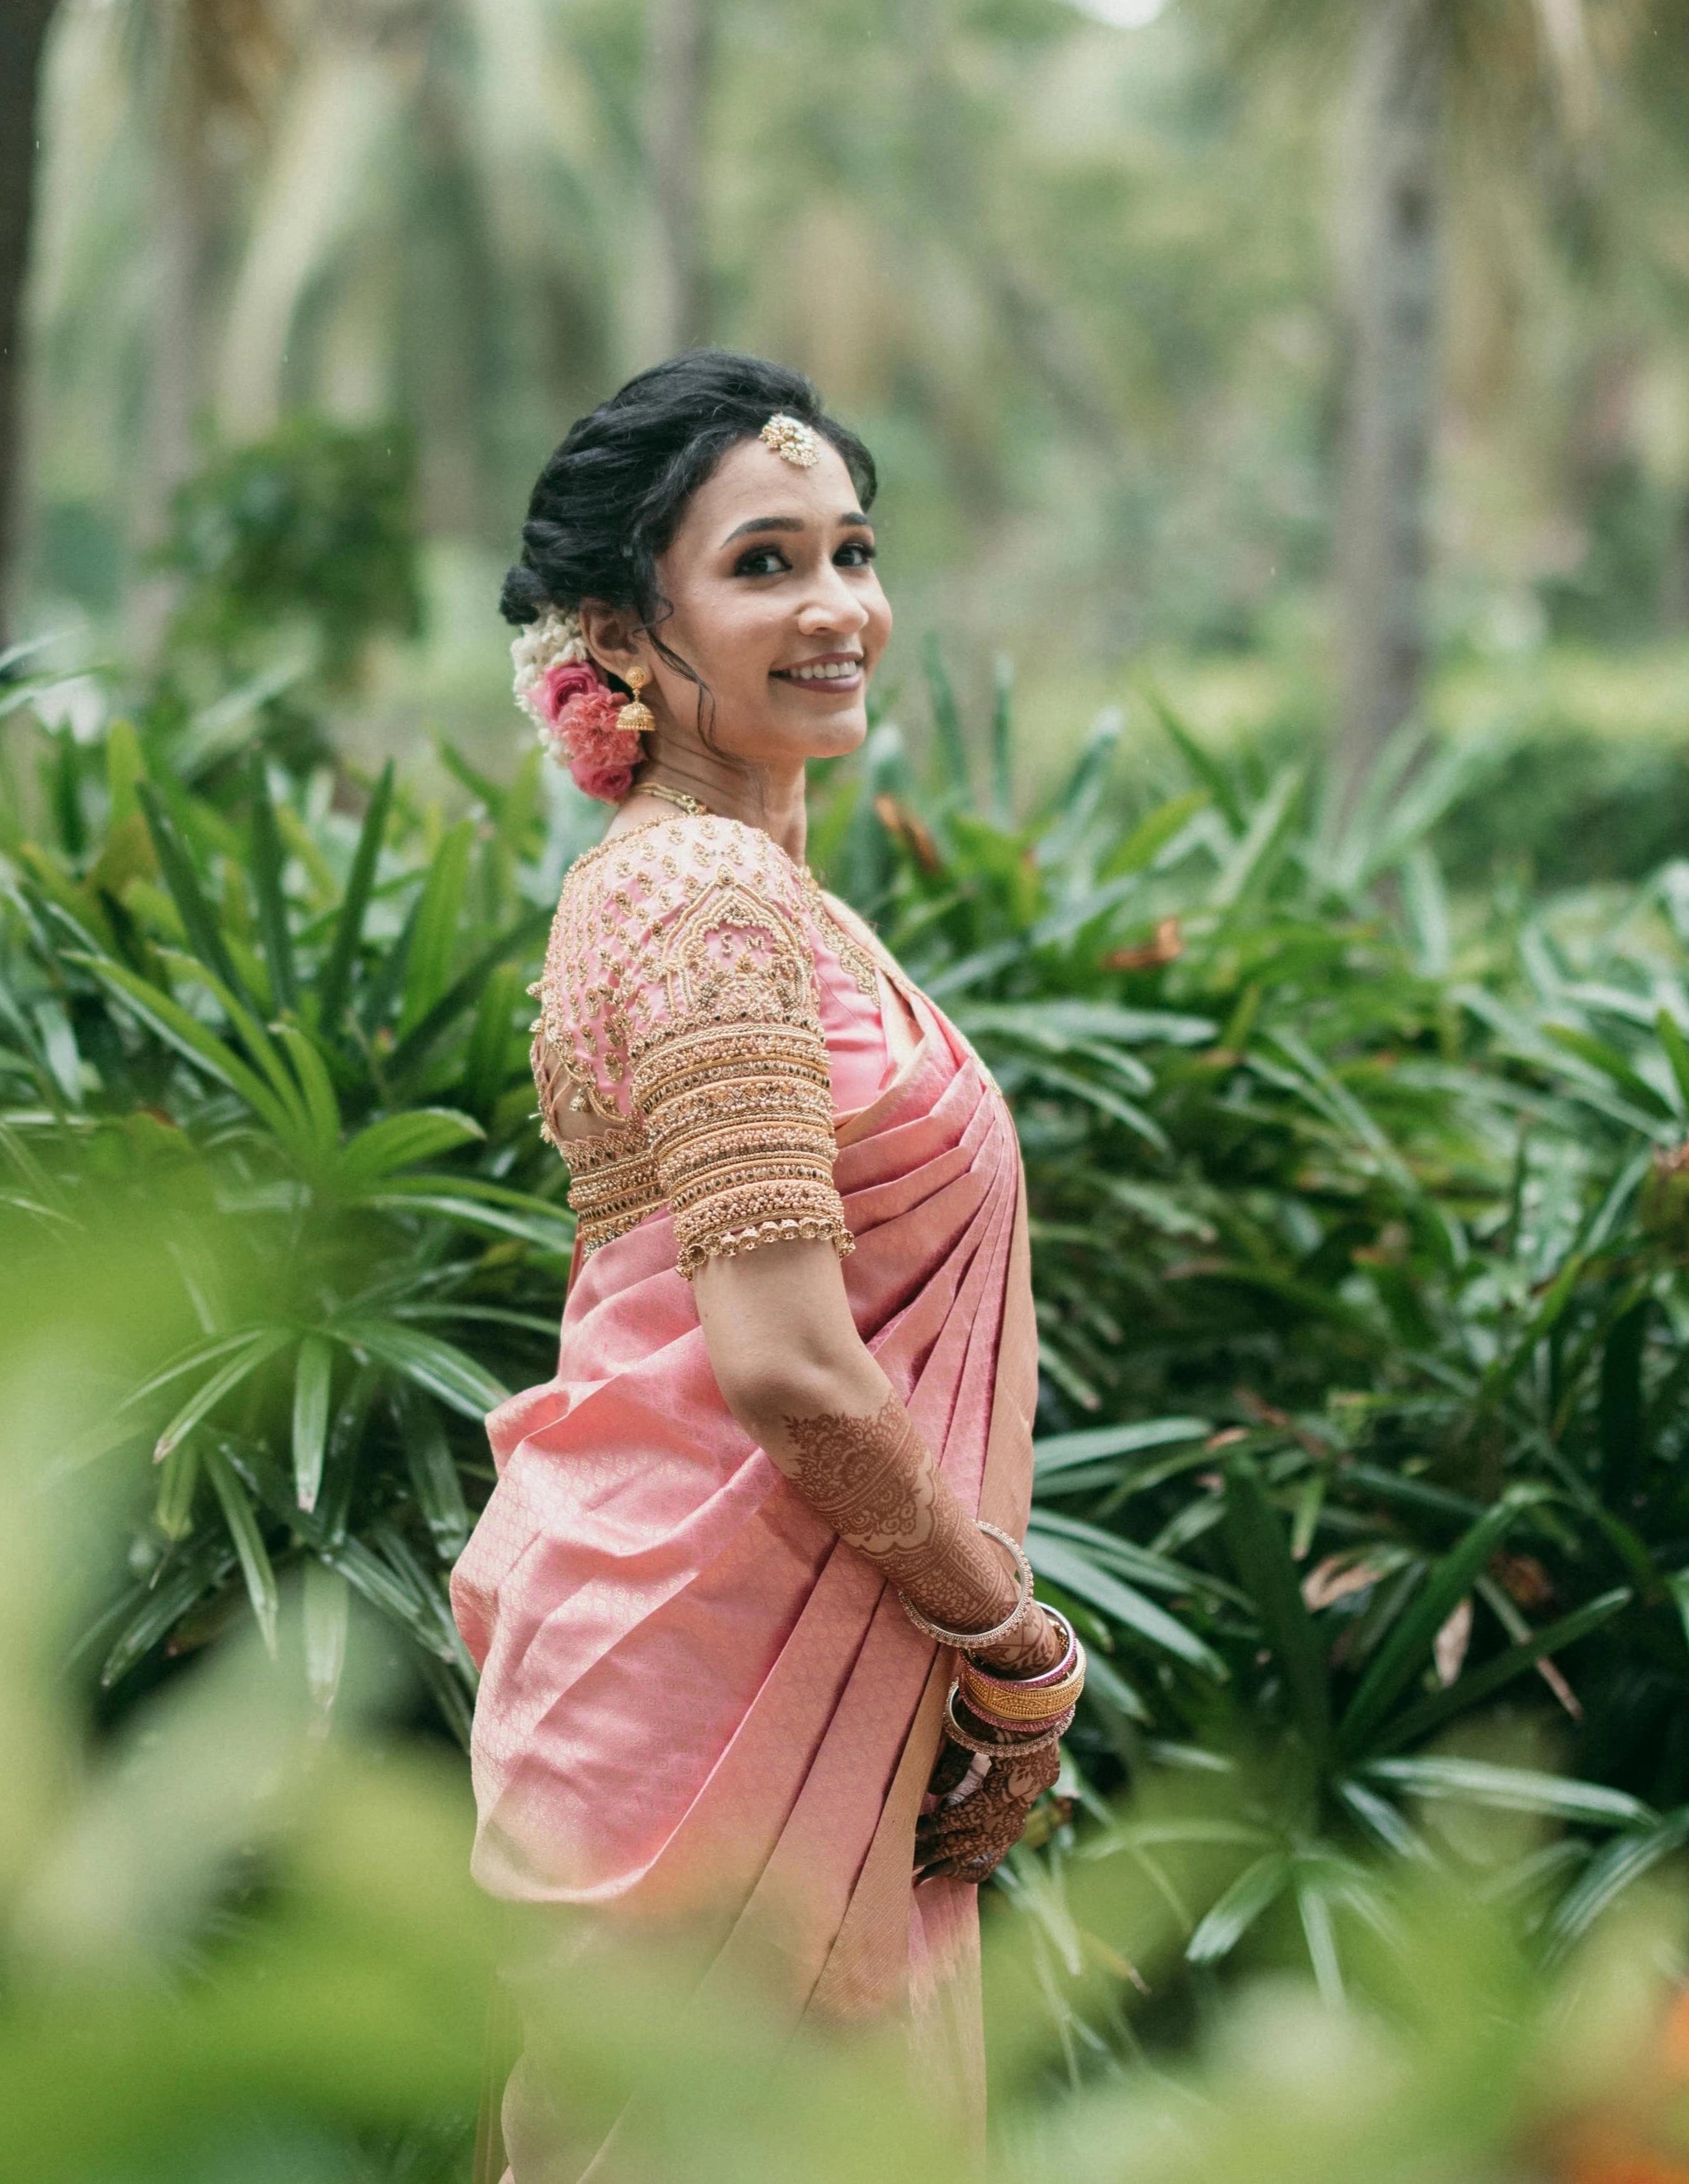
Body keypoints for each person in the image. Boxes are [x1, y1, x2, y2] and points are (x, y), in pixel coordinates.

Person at [451, 353, 1082, 2178]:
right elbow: (786, 1364)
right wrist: (1012, 1648)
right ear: (624, 637)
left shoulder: (737, 887)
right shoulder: (703, 900)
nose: (837, 608)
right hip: (706, 1673)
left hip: (738, 1636)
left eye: (853, 549)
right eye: (764, 563)